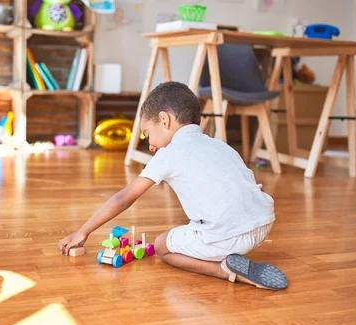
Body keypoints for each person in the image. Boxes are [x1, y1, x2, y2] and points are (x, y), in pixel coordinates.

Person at [58, 82, 287, 290]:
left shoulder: (169, 154)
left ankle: (225, 270)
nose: (150, 145)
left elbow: (124, 198)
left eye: (148, 134)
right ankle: (224, 253)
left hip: (227, 236)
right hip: (264, 222)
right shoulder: (219, 144)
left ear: (165, 120)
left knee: (161, 247)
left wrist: (83, 231)